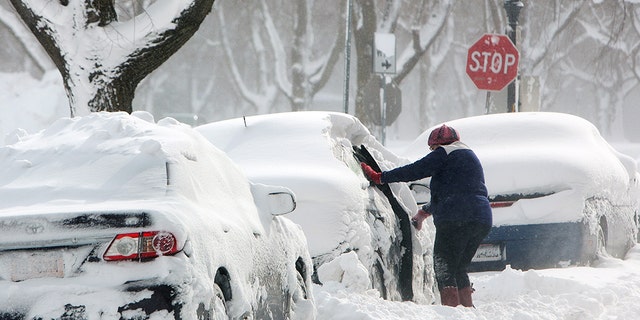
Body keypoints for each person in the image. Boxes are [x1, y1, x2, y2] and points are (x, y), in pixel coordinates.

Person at [360, 124, 492, 308]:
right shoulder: (469, 155)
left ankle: (453, 313)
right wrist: (424, 212)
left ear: (437, 145)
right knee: (459, 267)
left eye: (432, 148)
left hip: (456, 218)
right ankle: (468, 311)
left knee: (444, 267)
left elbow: (414, 170)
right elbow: (459, 192)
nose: (432, 152)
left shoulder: (444, 152)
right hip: (482, 218)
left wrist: (381, 177)